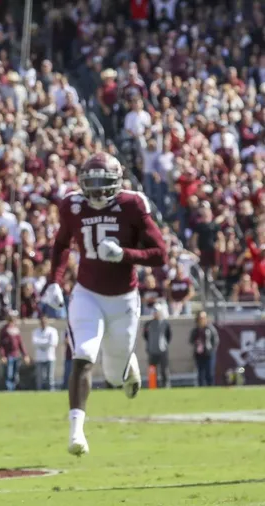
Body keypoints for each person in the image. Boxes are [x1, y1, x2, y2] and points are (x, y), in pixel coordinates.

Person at [42, 153, 166, 457]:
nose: (96, 191)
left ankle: (126, 364)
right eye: (91, 183)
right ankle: (76, 432)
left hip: (124, 298)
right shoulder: (72, 205)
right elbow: (61, 244)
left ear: (116, 182)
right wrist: (54, 281)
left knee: (113, 376)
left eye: (103, 183)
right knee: (83, 355)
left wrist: (125, 254)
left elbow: (160, 254)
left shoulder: (133, 204)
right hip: (87, 294)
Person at [0, 312, 30, 391]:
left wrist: (25, 355)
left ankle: (14, 389)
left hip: (16, 355)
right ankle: (9, 389)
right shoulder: (4, 330)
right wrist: (2, 356)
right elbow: (1, 345)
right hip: (8, 355)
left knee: (15, 374)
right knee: (9, 374)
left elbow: (20, 343)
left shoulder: (16, 329)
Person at [143, 304, 172, 388]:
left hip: (163, 350)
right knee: (152, 370)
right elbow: (145, 336)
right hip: (152, 350)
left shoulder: (165, 323)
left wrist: (164, 344)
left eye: (157, 312)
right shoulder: (148, 324)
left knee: (164, 369)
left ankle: (166, 386)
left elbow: (168, 335)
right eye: (155, 312)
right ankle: (152, 386)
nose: (156, 313)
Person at [189, 311, 219, 387]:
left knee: (209, 373)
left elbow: (215, 340)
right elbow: (191, 340)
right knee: (200, 373)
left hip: (209, 353)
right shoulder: (196, 330)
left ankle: (210, 388)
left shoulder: (210, 328)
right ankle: (201, 388)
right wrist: (196, 342)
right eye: (200, 318)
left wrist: (211, 349)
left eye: (203, 318)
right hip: (199, 354)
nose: (202, 320)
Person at [31, 314, 59, 391]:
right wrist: (46, 342)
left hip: (49, 357)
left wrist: (41, 343)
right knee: (39, 377)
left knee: (50, 377)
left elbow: (53, 343)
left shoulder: (52, 331)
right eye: (42, 321)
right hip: (39, 358)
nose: (43, 323)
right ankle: (39, 391)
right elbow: (35, 342)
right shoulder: (36, 331)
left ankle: (51, 391)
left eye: (44, 321)